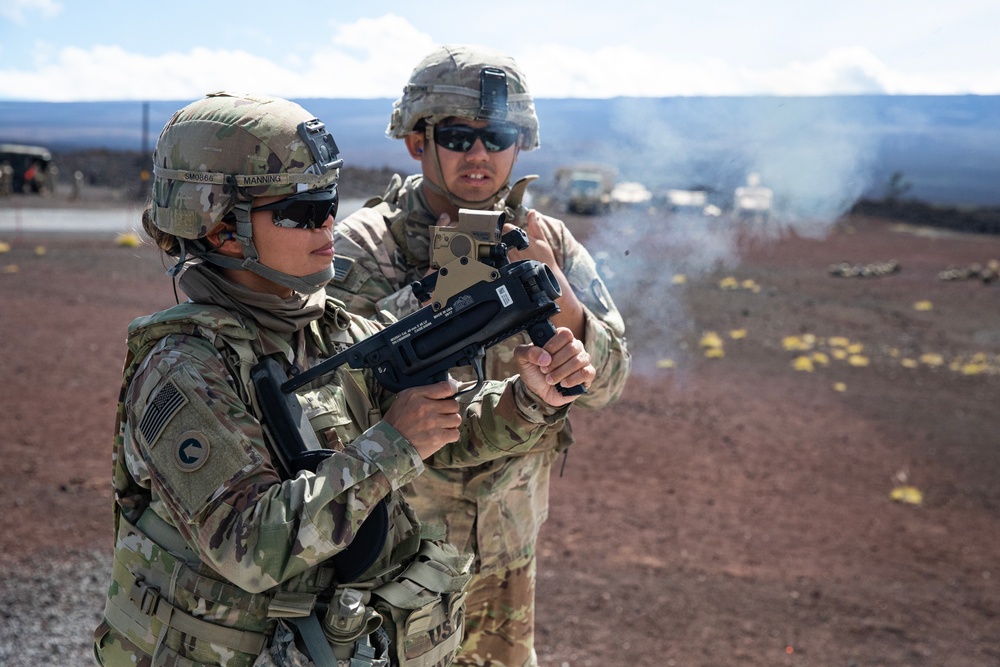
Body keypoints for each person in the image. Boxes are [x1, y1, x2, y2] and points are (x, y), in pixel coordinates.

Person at [92, 91, 595, 667]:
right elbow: (248, 544)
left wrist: (530, 397)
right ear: (220, 231)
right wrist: (393, 446)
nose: (327, 220)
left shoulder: (327, 328)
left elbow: (442, 427)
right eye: (300, 210)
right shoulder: (183, 368)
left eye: (329, 199)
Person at [327, 45, 631, 667]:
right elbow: (335, 400)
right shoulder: (365, 248)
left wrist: (556, 292)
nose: (480, 154)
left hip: (505, 555)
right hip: (394, 560)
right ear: (417, 143)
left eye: (498, 135)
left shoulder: (547, 240)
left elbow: (608, 383)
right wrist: (444, 292)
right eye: (459, 136)